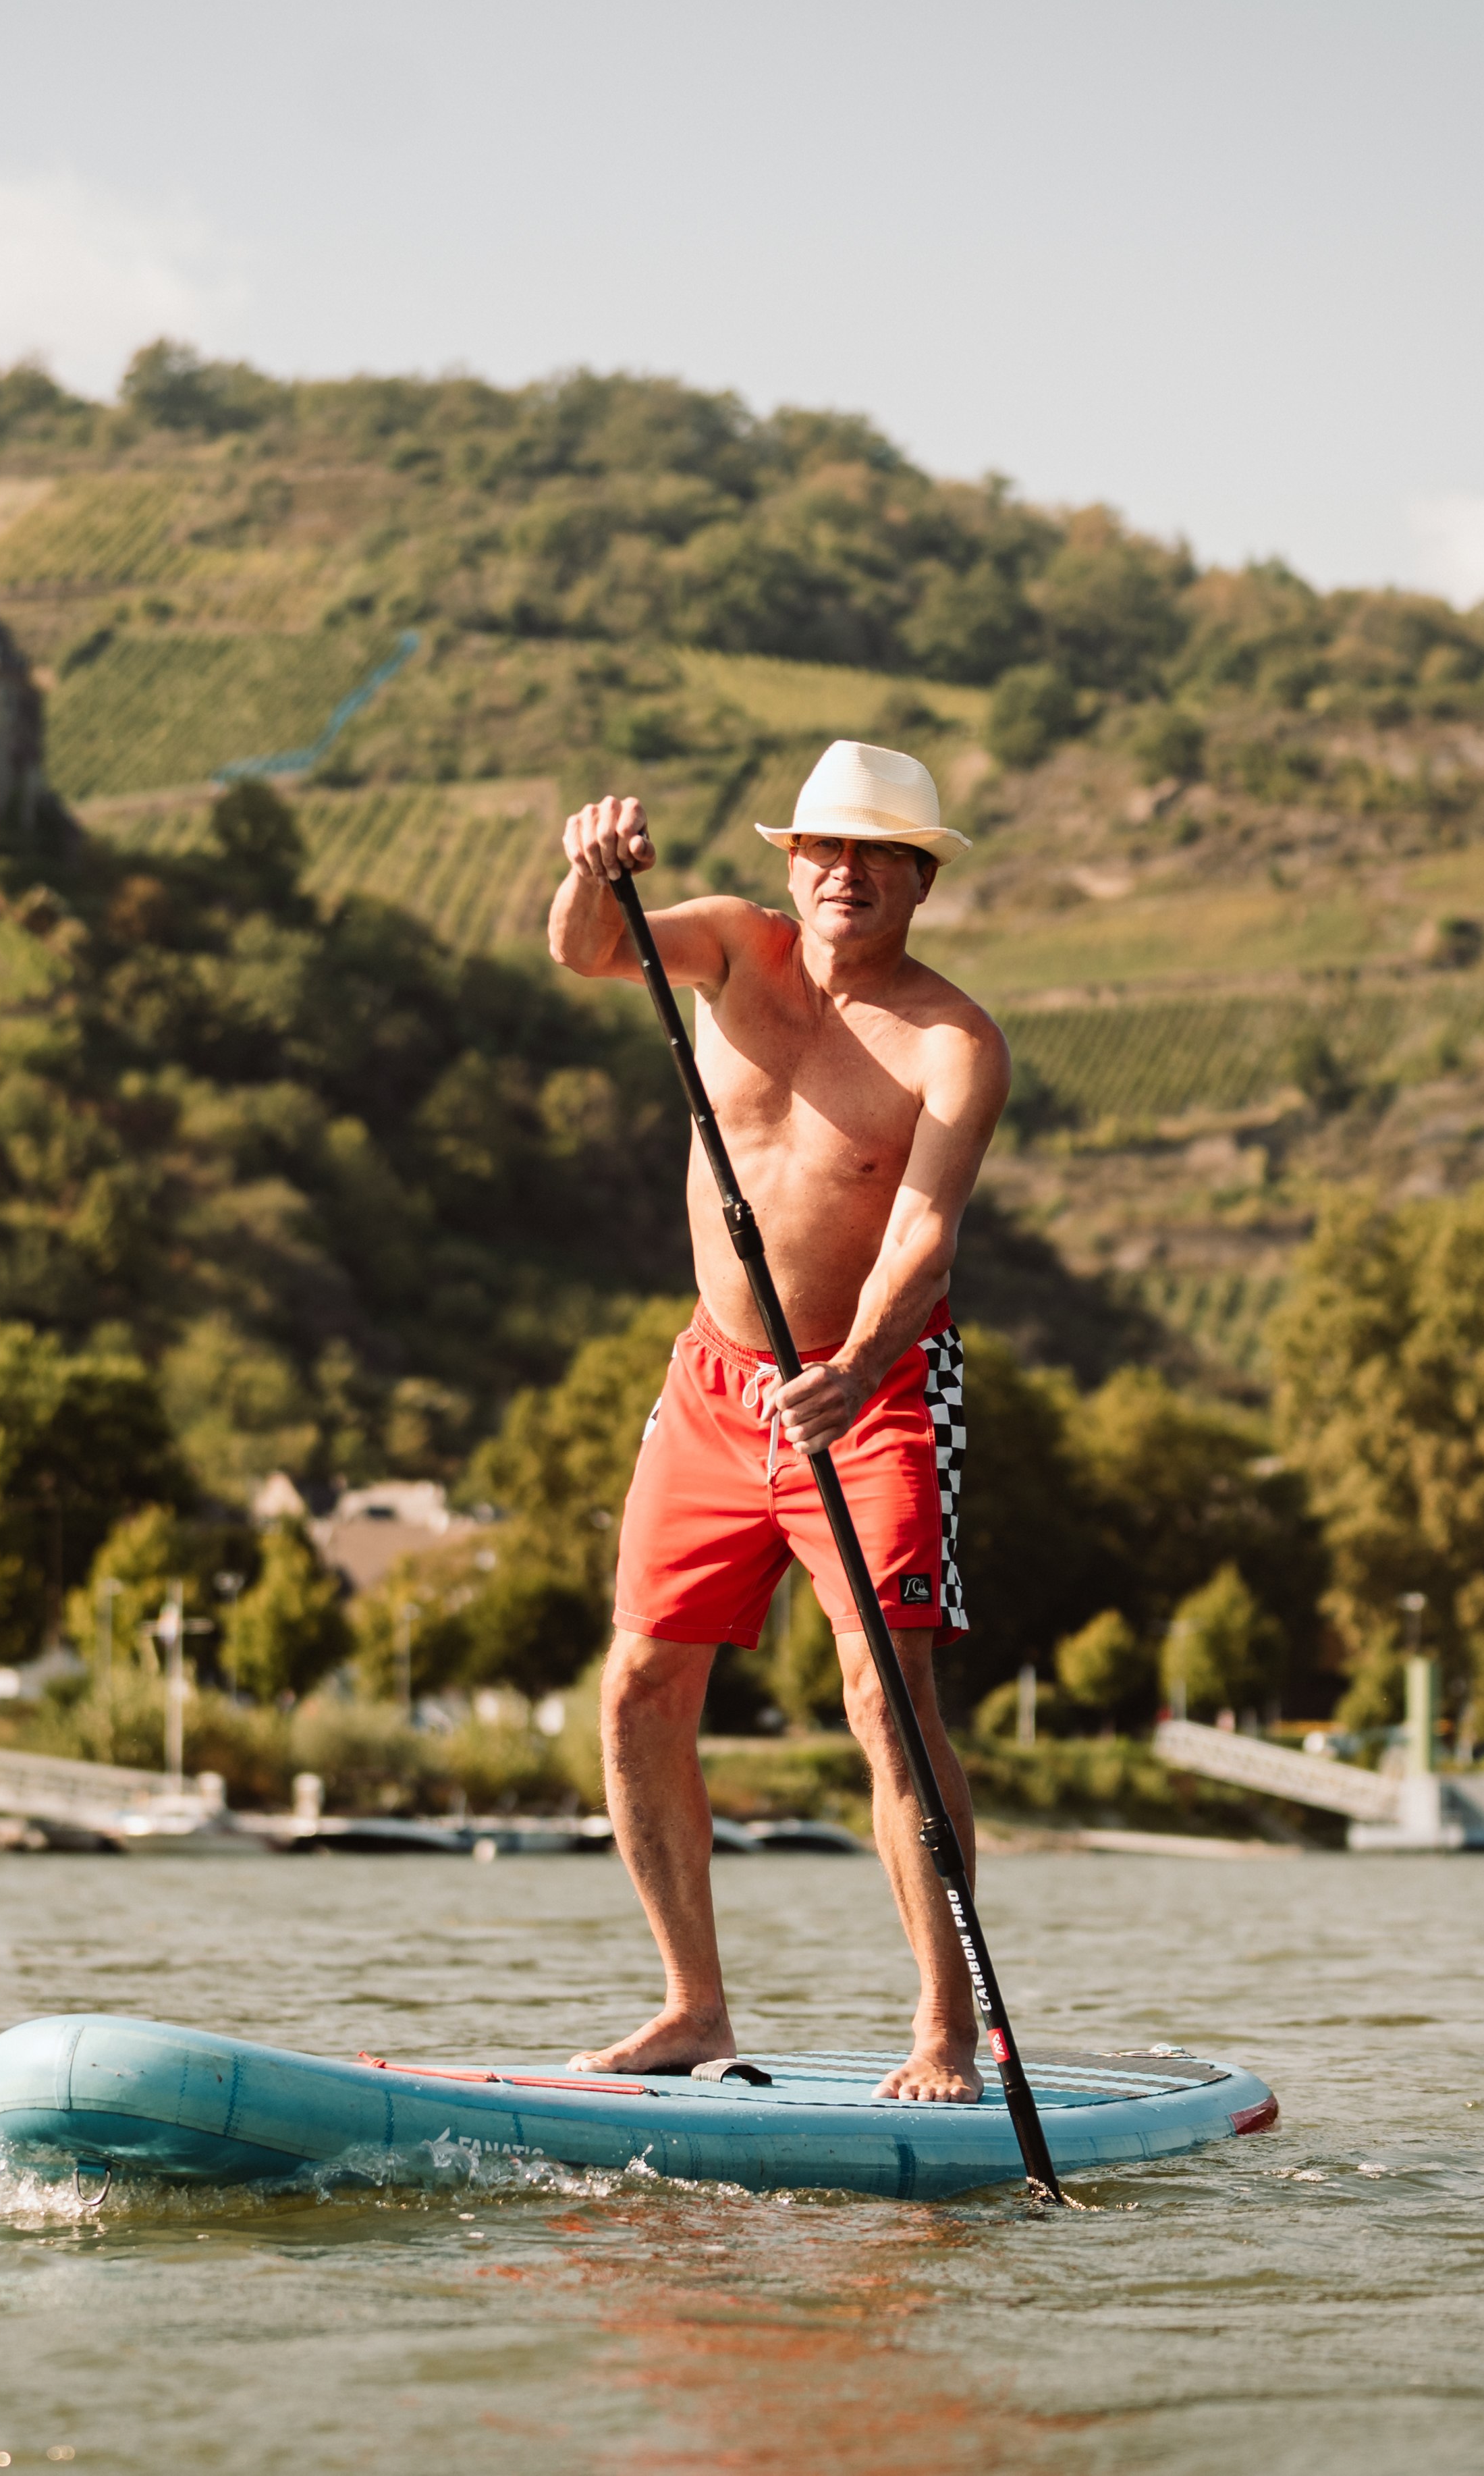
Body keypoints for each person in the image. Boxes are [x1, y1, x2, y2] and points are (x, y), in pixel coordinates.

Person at [544, 740, 1011, 2103]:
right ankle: (692, 2008)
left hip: (876, 1392)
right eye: (823, 848)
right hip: (713, 1382)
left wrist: (855, 1367)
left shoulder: (954, 1043)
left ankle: (943, 2033)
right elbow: (585, 950)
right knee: (636, 1684)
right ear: (792, 863)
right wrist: (591, 871)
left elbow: (921, 1237)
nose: (843, 872)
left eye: (875, 854)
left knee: (886, 1699)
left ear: (919, 880)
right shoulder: (730, 946)